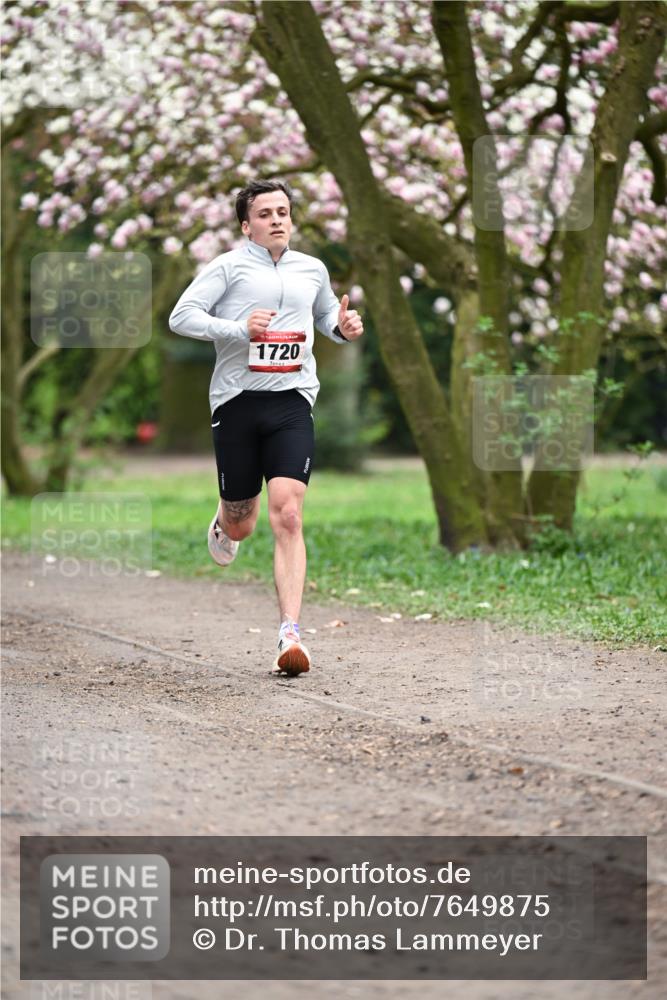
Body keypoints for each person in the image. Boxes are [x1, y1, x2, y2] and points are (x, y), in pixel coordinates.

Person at [168, 179, 364, 676]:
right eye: (265, 213)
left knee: (289, 515)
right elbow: (181, 316)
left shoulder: (312, 269)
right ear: (246, 225)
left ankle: (290, 633)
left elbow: (323, 319)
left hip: (292, 401)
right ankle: (224, 518)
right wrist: (237, 329)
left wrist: (340, 329)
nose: (277, 219)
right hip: (236, 401)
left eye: (283, 211)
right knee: (243, 523)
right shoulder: (228, 268)